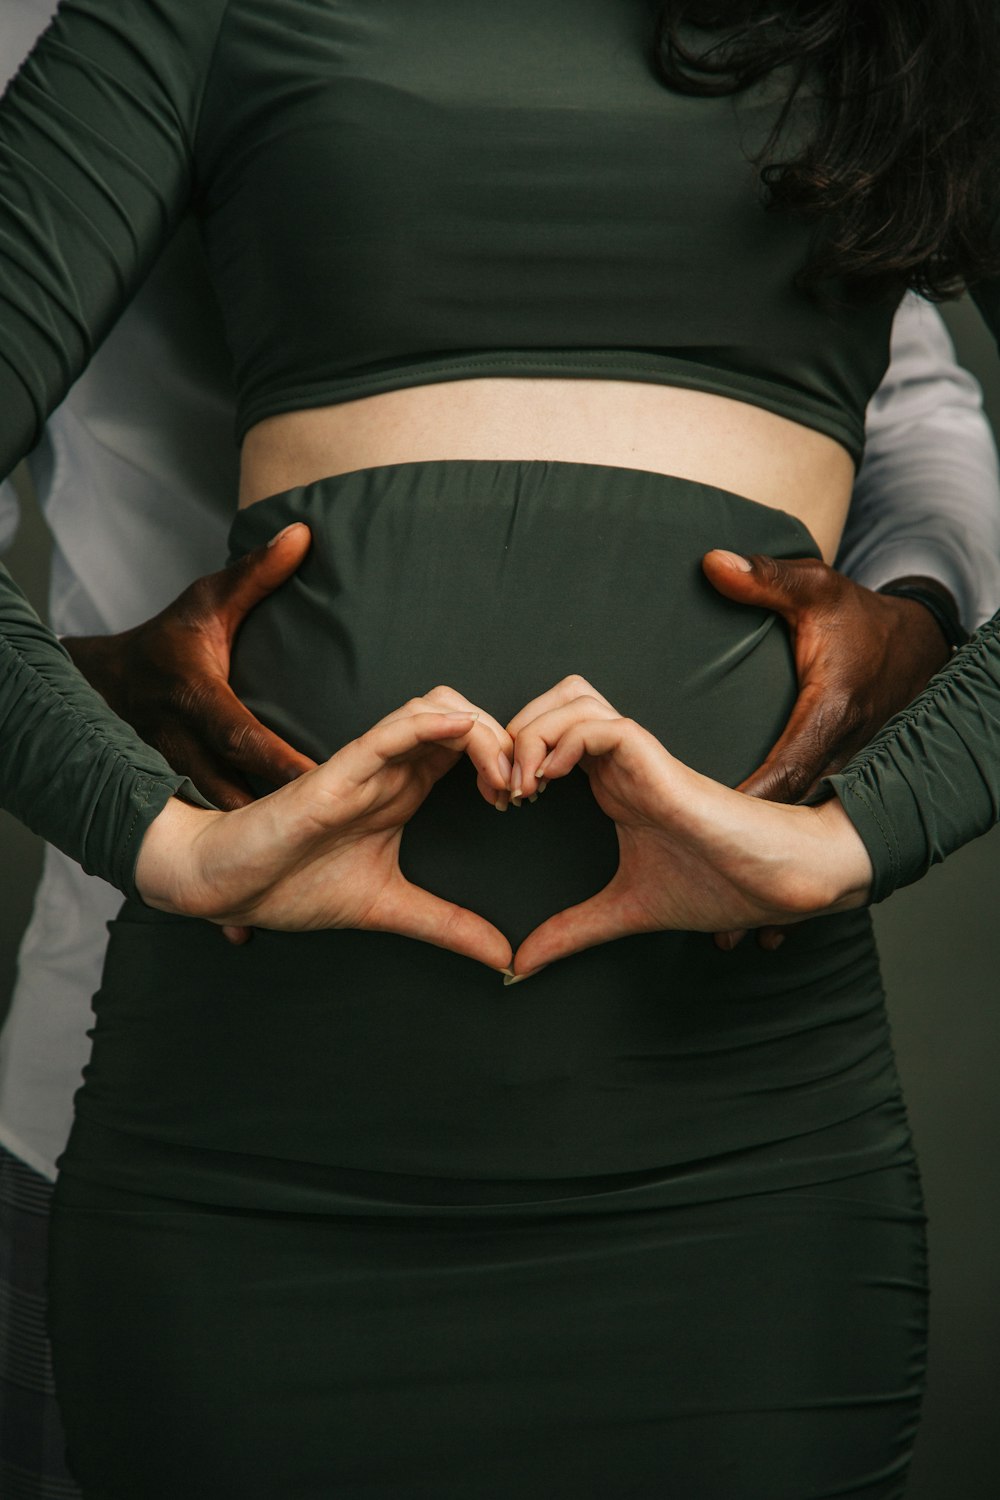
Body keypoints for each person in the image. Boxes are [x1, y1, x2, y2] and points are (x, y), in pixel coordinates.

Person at [2, 1, 1000, 1494]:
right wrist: (160, 830)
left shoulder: (901, 21)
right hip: (253, 1151)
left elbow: (917, 400)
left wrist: (877, 818)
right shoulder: (184, 11)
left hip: (738, 1163)